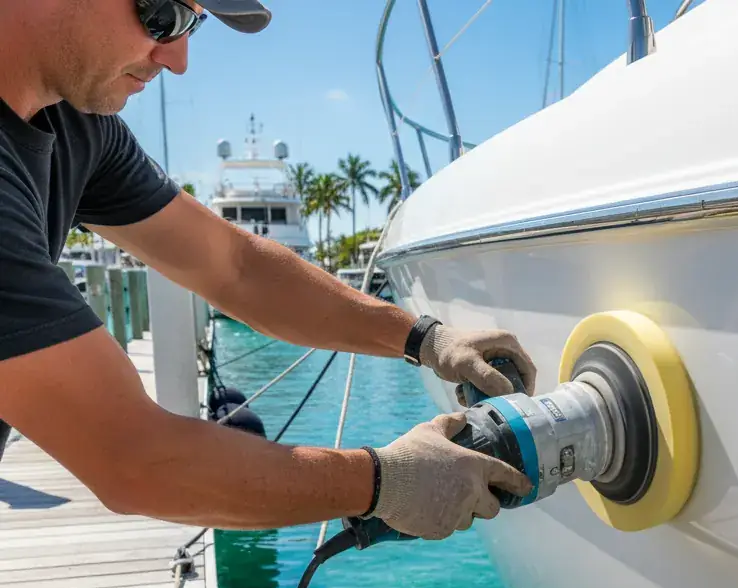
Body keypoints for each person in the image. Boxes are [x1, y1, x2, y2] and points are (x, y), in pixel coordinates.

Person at [0, 0, 538, 549]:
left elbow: (236, 267)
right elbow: (132, 457)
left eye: (193, 23)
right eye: (160, 13)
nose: (179, 58)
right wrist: (384, 481)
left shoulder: (75, 126)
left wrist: (425, 339)